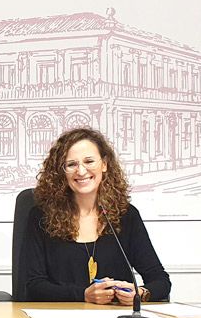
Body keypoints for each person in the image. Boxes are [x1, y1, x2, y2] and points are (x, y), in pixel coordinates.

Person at [23, 127, 170, 304]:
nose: (81, 171)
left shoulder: (125, 215)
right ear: (62, 172)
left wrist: (141, 293)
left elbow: (160, 280)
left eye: (89, 161)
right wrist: (83, 295)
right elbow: (33, 286)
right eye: (71, 164)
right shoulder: (41, 217)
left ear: (104, 164)